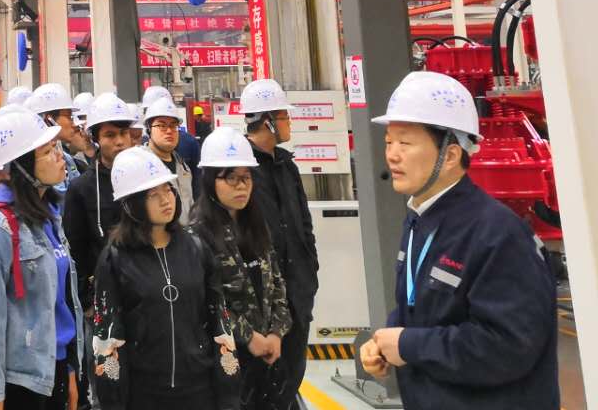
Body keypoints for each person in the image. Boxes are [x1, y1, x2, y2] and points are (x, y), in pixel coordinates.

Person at [359, 72, 558, 408]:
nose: (392, 155)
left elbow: (509, 346)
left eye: (405, 143)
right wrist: (384, 341)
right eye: (389, 142)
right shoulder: (419, 219)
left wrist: (408, 345)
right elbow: (422, 307)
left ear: (450, 155)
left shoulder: (497, 234)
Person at [91, 147, 236, 409]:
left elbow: (220, 322)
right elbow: (107, 338)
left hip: (199, 389)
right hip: (143, 394)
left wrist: (228, 395)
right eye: (153, 194)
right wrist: (112, 401)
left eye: (168, 189)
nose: (165, 200)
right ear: (131, 203)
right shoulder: (115, 259)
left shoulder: (197, 248)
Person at [0, 109, 82, 409]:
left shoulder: (49, 216)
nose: (59, 156)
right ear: (20, 165)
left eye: (56, 147)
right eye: (48, 151)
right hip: (17, 381)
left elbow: (60, 303)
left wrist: (69, 368)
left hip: (53, 368)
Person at [192, 127, 291, 410]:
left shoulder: (257, 226)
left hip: (266, 358)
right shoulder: (197, 236)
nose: (241, 186)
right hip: (223, 362)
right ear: (210, 180)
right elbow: (204, 301)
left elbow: (277, 283)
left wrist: (276, 332)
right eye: (231, 178)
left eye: (246, 177)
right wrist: (248, 337)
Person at [238, 80, 317, 404]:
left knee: (291, 375)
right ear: (268, 120)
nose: (289, 123)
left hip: (297, 294)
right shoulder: (240, 170)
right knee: (260, 386)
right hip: (261, 302)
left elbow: (304, 224)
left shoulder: (287, 166)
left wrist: (310, 271)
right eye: (284, 116)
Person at [62, 92, 135, 302]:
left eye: (124, 133)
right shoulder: (81, 188)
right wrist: (86, 301)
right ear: (96, 139)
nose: (119, 141)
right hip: (106, 294)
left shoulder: (146, 180)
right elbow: (76, 251)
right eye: (110, 135)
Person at [142, 99, 198, 215]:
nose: (169, 131)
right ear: (149, 129)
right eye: (162, 125)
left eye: (173, 126)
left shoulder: (183, 167)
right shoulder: (142, 165)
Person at [25, 85, 83, 186]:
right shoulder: (37, 161)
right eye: (69, 117)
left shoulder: (66, 158)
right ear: (49, 120)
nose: (74, 124)